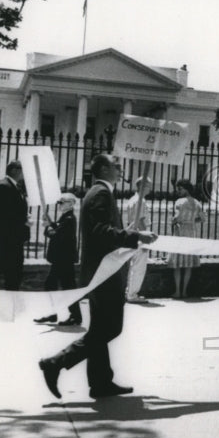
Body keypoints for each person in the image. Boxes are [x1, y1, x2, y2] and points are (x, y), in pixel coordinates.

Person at [38, 154, 158, 400]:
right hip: (105, 273)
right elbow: (100, 231)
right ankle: (55, 362)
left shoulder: (97, 192)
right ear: (104, 168)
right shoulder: (101, 194)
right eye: (116, 166)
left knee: (100, 328)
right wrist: (135, 237)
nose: (120, 169)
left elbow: (101, 230)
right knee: (110, 328)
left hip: (100, 271)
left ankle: (101, 382)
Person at [34, 193, 82, 326]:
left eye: (63, 202)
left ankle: (73, 316)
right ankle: (57, 314)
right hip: (62, 259)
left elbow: (57, 235)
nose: (60, 205)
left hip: (64, 259)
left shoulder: (69, 218)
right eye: (60, 202)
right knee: (61, 286)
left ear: (71, 204)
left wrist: (48, 228)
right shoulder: (66, 217)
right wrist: (50, 223)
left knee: (65, 287)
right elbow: (58, 228)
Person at [0, 160, 30, 290]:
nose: (24, 173)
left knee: (12, 278)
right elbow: (1, 217)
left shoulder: (14, 186)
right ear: (14, 170)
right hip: (3, 242)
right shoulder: (4, 186)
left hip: (10, 241)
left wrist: (24, 219)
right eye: (22, 169)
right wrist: (24, 222)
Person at [170, 180, 204, 298]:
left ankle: (177, 291)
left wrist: (174, 221)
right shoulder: (197, 203)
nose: (178, 191)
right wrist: (192, 221)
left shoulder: (179, 202)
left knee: (178, 264)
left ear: (186, 189)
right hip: (192, 232)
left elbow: (176, 217)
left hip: (180, 232)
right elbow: (203, 218)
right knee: (188, 264)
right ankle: (184, 291)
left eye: (180, 189)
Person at [124, 176, 153, 303]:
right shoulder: (139, 200)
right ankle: (132, 294)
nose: (150, 189)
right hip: (140, 236)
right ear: (141, 186)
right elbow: (140, 220)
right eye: (148, 186)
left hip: (132, 234)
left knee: (133, 265)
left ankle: (129, 291)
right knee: (139, 266)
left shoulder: (133, 199)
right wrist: (146, 236)